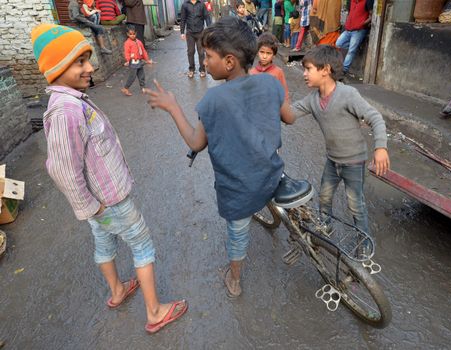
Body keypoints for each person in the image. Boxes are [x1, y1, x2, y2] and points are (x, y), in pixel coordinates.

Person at [30, 23, 187, 334]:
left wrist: (92, 210)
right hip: (109, 200)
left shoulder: (72, 102)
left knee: (104, 242)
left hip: (100, 204)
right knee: (141, 245)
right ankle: (155, 311)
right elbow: (61, 169)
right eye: (79, 61)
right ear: (57, 67)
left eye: (87, 59)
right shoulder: (65, 111)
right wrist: (91, 208)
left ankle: (117, 291)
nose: (90, 67)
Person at [145, 17, 294, 298]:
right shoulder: (271, 83)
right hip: (271, 174)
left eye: (208, 56)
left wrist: (174, 107)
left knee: (238, 235)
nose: (203, 61)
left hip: (238, 189)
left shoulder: (213, 101)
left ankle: (235, 280)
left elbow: (195, 142)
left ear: (228, 62)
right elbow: (290, 117)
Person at [286, 45, 389, 240]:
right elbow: (290, 113)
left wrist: (381, 147)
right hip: (332, 161)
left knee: (356, 206)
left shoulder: (347, 94)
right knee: (324, 198)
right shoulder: (312, 99)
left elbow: (375, 117)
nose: (304, 74)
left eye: (308, 69)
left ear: (325, 70)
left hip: (354, 162)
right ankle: (325, 226)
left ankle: (364, 242)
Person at [336, 0, 373, 75]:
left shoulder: (367, 1)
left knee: (351, 51)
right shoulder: (351, 1)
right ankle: (355, 47)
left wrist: (362, 24)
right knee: (338, 43)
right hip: (348, 29)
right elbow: (349, 13)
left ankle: (344, 70)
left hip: (359, 30)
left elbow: (372, 16)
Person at [250, 33, 289, 101]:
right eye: (262, 52)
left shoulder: (278, 72)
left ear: (274, 55)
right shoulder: (252, 72)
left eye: (268, 53)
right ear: (257, 52)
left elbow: (284, 95)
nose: (264, 56)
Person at [180, 0, 209, 78]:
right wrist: (182, 32)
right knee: (190, 51)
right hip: (190, 33)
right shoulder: (185, 5)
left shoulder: (202, 4)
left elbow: (207, 17)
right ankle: (191, 69)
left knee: (201, 52)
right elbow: (183, 19)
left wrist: (210, 30)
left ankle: (202, 70)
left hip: (200, 32)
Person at [121, 26, 153, 96]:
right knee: (132, 76)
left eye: (134, 34)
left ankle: (143, 87)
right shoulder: (127, 43)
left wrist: (147, 60)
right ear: (127, 34)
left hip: (140, 61)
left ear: (136, 33)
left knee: (141, 75)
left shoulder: (139, 42)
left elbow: (143, 51)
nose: (132, 35)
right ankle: (126, 88)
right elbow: (127, 52)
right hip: (133, 62)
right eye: (130, 34)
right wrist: (128, 60)